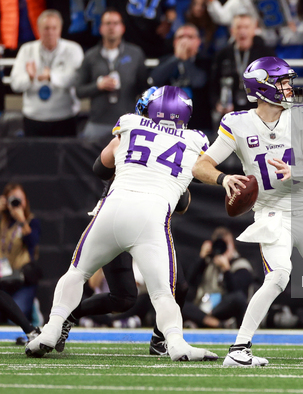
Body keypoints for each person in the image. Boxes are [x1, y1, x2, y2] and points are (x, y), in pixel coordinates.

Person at [25, 86, 217, 362]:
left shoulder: (130, 123)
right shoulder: (195, 140)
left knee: (77, 273)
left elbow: (100, 167)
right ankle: (175, 342)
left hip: (114, 211)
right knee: (162, 292)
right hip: (150, 218)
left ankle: (51, 328)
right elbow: (185, 202)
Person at [193, 56, 303, 367]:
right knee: (278, 277)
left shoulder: (301, 117)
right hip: (272, 214)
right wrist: (224, 178)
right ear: (262, 86)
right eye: (282, 81)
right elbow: (200, 165)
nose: (288, 87)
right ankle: (239, 348)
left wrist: (294, 171)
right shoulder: (238, 123)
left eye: (288, 81)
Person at [75, 8, 148, 141]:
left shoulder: (135, 54)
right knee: (91, 161)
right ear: (100, 28)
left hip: (127, 123)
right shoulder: (90, 56)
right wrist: (97, 86)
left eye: (115, 23)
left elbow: (144, 90)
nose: (111, 27)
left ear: (123, 28)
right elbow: (79, 91)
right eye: (107, 23)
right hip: (98, 123)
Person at [9, 10, 84, 137]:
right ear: (38, 29)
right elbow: (15, 84)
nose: (50, 32)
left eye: (54, 28)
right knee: (34, 157)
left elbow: (77, 79)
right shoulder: (26, 50)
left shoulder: (73, 49)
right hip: (34, 118)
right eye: (46, 28)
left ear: (60, 29)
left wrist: (51, 77)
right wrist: (30, 78)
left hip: (65, 117)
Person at [184, 227, 253, 328]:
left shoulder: (240, 265)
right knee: (178, 302)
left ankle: (203, 321)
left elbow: (239, 294)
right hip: (204, 307)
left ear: (233, 246)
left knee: (238, 298)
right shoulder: (208, 263)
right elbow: (189, 283)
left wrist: (226, 270)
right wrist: (201, 258)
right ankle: (215, 323)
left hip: (224, 309)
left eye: (226, 245)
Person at [149, 24, 212, 133]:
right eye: (181, 37)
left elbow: (199, 82)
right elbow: (154, 80)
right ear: (174, 42)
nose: (185, 41)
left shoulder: (207, 61)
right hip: (166, 124)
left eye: (190, 37)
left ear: (198, 41)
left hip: (198, 124)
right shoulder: (166, 60)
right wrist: (176, 58)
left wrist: (185, 60)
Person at [211, 14, 275, 117]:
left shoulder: (266, 55)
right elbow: (213, 85)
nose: (242, 31)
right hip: (231, 113)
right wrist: (217, 103)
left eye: (246, 27)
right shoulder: (222, 55)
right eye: (238, 27)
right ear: (232, 30)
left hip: (259, 113)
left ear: (254, 29)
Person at [0, 183, 42, 323]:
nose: (16, 202)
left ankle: (32, 308)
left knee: (15, 320)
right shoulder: (2, 222)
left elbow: (32, 243)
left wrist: (22, 221)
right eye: (12, 199)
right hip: (3, 280)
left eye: (19, 199)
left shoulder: (31, 222)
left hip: (22, 280)